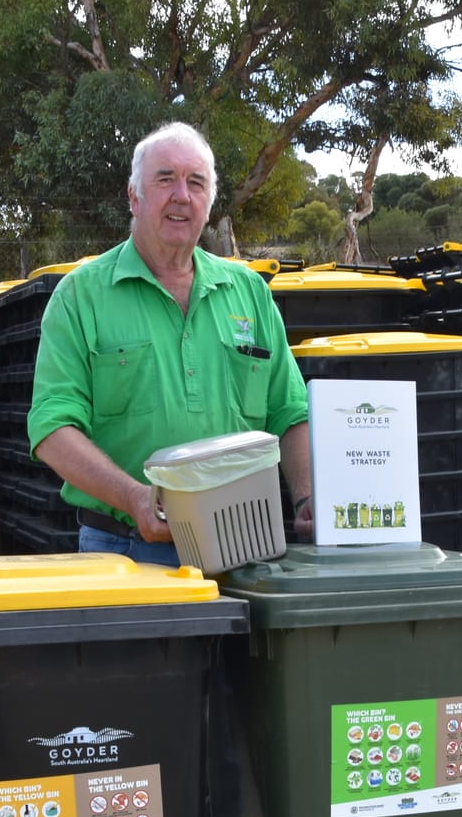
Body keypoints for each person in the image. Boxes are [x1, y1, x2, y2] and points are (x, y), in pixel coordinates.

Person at [28, 121, 313, 564]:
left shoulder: (250, 292)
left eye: (196, 183)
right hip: (125, 552)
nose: (182, 195)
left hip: (245, 545)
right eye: (165, 179)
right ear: (134, 196)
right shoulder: (81, 296)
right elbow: (52, 428)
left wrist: (306, 497)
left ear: (209, 203)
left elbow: (290, 411)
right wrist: (134, 498)